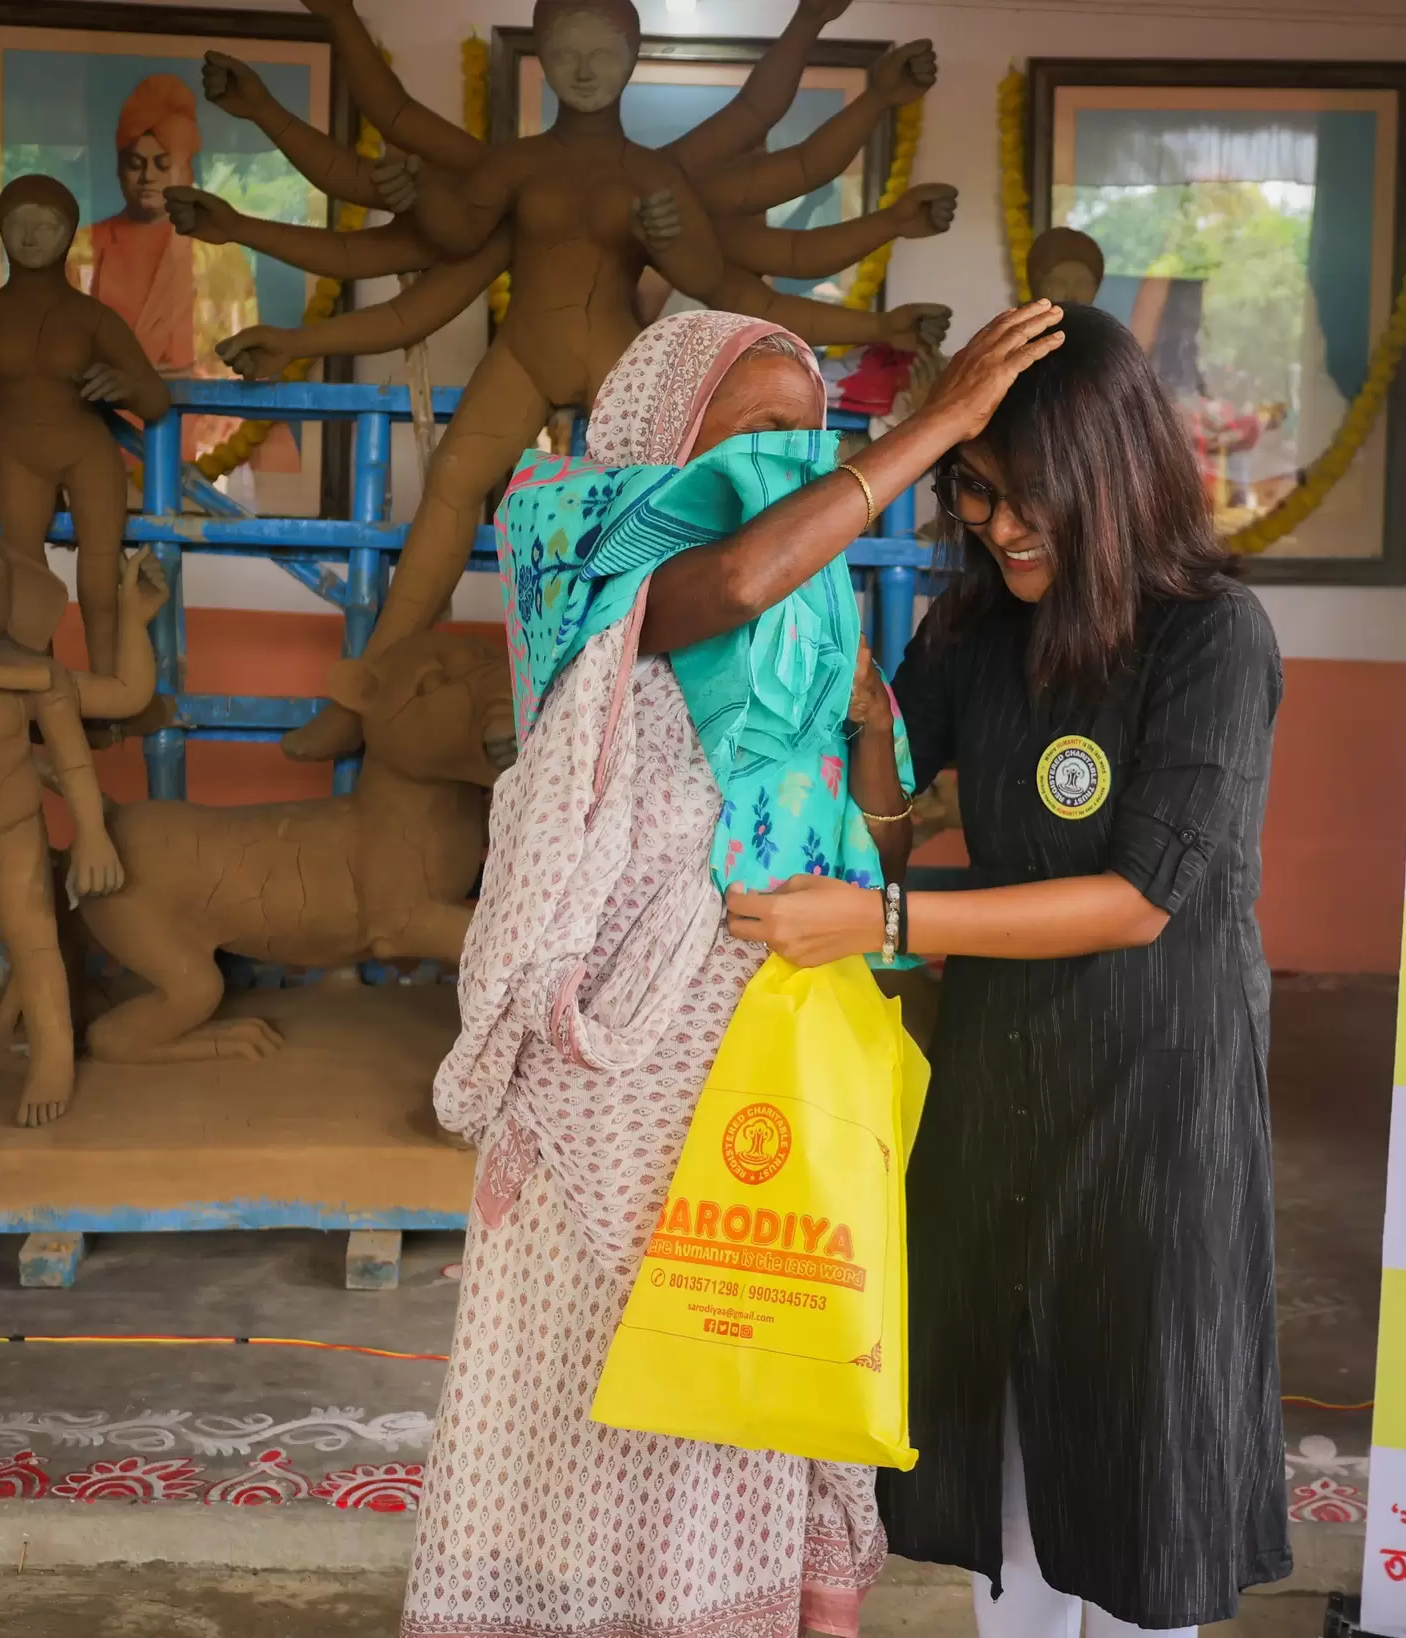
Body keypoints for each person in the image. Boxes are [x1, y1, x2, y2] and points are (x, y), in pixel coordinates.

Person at [405, 303, 1065, 1638]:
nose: (788, 455)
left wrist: (869, 738)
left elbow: (865, 846)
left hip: (763, 1037)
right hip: (618, 1055)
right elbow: (734, 580)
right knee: (602, 1370)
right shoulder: (582, 530)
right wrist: (935, 424)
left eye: (806, 433)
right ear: (665, 423)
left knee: (741, 1350)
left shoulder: (812, 614)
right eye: (755, 426)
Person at [728, 302, 1291, 1636]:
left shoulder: (1210, 635)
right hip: (995, 1076)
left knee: (1137, 1444)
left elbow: (1141, 900)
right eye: (974, 491)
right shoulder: (971, 630)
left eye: (1027, 493)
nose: (997, 525)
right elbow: (891, 831)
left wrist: (886, 923)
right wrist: (872, 732)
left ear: (1113, 471)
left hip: (1155, 1091)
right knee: (1008, 1448)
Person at [74, 72, 293, 470]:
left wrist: (186, 377)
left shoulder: (220, 255)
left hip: (200, 427)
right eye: (135, 164)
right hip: (103, 425)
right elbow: (64, 352)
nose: (147, 177)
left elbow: (239, 365)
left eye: (163, 164)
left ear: (185, 169)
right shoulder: (83, 248)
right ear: (118, 169)